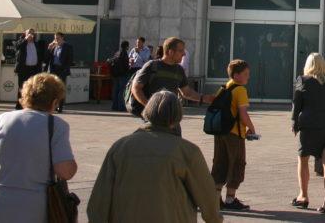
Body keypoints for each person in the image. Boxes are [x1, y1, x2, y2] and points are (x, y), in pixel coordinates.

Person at [87, 90, 222, 222]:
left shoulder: (120, 147)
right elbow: (207, 197)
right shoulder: (187, 151)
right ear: (176, 117)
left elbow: (99, 199)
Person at [0, 73, 78, 223]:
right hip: (33, 207)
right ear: (54, 102)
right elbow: (65, 171)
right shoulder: (56, 126)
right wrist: (73, 166)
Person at [292, 52, 325, 215]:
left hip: (309, 127)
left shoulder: (303, 80)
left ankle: (303, 196)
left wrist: (294, 122)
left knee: (303, 160)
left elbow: (297, 105)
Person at [211, 59, 258, 212]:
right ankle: (230, 199)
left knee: (220, 163)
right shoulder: (240, 90)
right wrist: (251, 128)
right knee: (237, 163)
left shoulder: (224, 87)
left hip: (220, 132)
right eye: (245, 74)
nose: (248, 77)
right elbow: (243, 113)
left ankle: (215, 199)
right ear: (236, 75)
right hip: (235, 133)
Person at [131, 37, 215, 116]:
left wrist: (205, 98)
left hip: (171, 116)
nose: (184, 54)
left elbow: (186, 92)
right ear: (170, 52)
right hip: (153, 117)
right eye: (181, 51)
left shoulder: (179, 70)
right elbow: (136, 88)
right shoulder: (152, 66)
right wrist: (149, 107)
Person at [13, 29, 44, 110]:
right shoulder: (21, 42)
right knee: (22, 87)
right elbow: (17, 47)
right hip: (24, 69)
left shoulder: (36, 44)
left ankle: (31, 105)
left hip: (34, 69)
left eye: (32, 33)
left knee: (33, 88)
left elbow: (42, 55)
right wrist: (26, 39)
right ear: (25, 34)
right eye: (29, 33)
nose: (31, 35)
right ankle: (20, 105)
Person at [45, 32, 74, 113]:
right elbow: (46, 59)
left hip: (62, 70)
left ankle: (60, 107)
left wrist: (65, 70)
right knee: (52, 90)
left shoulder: (68, 47)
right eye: (55, 38)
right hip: (53, 70)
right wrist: (49, 48)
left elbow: (70, 60)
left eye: (58, 38)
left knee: (60, 90)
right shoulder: (53, 46)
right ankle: (52, 106)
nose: (56, 40)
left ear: (62, 38)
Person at [108, 40, 131, 112]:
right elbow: (125, 65)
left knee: (116, 90)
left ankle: (114, 106)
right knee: (122, 91)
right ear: (126, 46)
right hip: (122, 74)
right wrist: (129, 68)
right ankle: (121, 107)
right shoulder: (124, 53)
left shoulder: (117, 53)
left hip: (115, 75)